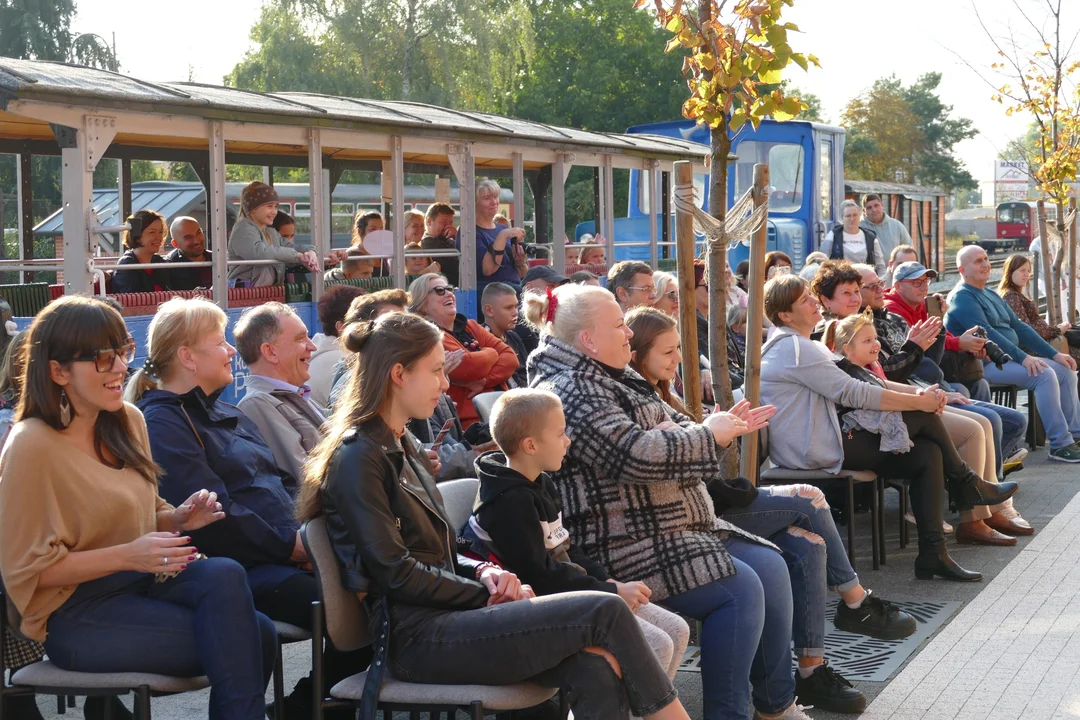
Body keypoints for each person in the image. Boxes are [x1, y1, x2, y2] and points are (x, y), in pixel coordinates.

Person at [296, 311, 695, 720]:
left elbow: (441, 551)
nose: (445, 383)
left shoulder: (402, 445)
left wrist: (484, 571)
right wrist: (484, 591)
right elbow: (394, 573)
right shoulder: (359, 457)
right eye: (435, 371)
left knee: (595, 666)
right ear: (399, 373)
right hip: (419, 638)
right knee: (604, 609)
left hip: (448, 620)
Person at [524, 283, 812, 720]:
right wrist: (705, 436)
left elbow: (674, 431)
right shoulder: (573, 387)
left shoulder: (611, 371)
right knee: (739, 589)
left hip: (673, 523)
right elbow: (637, 456)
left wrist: (693, 438)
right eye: (619, 324)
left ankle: (775, 706)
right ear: (587, 339)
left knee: (772, 566)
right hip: (622, 543)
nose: (628, 332)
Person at [625, 307, 917, 713]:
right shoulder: (635, 401)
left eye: (678, 349)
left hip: (713, 503)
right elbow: (684, 472)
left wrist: (717, 435)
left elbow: (702, 467)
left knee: (808, 543)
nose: (678, 359)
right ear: (636, 353)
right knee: (807, 504)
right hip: (694, 519)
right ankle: (852, 604)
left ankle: (808, 674)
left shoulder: (662, 394)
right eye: (668, 352)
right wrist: (714, 438)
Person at [0, 296, 275, 720]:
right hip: (76, 613)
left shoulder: (128, 420)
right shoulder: (31, 444)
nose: (119, 368)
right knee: (250, 638)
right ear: (57, 371)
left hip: (142, 584)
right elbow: (27, 571)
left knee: (234, 589)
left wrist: (177, 517)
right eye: (102, 358)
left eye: (123, 352)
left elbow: (146, 511)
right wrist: (129, 555)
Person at [127, 297, 366, 718]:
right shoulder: (162, 422)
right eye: (219, 342)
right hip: (243, 568)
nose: (232, 351)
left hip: (291, 553)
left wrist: (315, 540)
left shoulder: (224, 411)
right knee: (360, 600)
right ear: (187, 356)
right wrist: (291, 547)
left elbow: (288, 483)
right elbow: (214, 516)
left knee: (379, 586)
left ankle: (307, 705)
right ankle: (306, 707)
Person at [760, 274, 1007, 581]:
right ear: (785, 314)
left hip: (835, 435)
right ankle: (966, 482)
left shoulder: (799, 345)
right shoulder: (795, 349)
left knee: (927, 452)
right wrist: (919, 403)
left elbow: (868, 382)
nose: (814, 302)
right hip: (822, 445)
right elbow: (853, 393)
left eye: (811, 297)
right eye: (804, 300)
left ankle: (934, 553)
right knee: (922, 418)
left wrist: (918, 396)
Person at [461, 389, 691, 681]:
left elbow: (565, 547)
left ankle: (645, 712)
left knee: (677, 630)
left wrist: (608, 582)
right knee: (657, 643)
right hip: (543, 609)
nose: (567, 441)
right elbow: (540, 576)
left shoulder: (541, 481)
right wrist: (610, 594)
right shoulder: (509, 502)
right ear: (531, 445)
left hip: (573, 592)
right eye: (560, 434)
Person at [946, 245, 1080, 463]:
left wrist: (1054, 354)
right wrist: (1024, 358)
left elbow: (1020, 327)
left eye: (986, 259)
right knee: (1044, 375)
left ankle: (1076, 435)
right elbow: (989, 338)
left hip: (1008, 360)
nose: (985, 264)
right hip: (986, 366)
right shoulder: (963, 298)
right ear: (962, 270)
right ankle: (1060, 444)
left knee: (1064, 369)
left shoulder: (989, 293)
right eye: (977, 261)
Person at [409, 273, 518, 428]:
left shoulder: (471, 325)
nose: (448, 294)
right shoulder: (429, 336)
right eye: (440, 290)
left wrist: (484, 381)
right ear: (422, 304)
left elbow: (510, 358)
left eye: (450, 289)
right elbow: (467, 366)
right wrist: (492, 353)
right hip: (469, 422)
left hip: (502, 410)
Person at [233, 303, 325, 487]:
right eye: (300, 339)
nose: (312, 346)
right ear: (270, 352)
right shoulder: (256, 404)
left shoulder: (296, 394)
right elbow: (307, 481)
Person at [327, 289, 411, 410]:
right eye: (395, 326)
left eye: (409, 324)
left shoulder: (410, 373)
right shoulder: (354, 384)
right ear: (364, 331)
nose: (408, 334)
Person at [228, 182, 321, 287]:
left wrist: (310, 251)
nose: (274, 212)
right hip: (244, 292)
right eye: (269, 206)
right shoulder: (242, 228)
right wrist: (296, 255)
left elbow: (292, 246)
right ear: (253, 209)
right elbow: (260, 253)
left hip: (268, 292)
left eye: (276, 207)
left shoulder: (271, 232)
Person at [998, 253, 1080, 364]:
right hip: (1033, 348)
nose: (1027, 274)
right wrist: (1057, 330)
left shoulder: (1013, 294)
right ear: (1010, 271)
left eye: (1028, 270)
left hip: (1040, 342)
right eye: (1022, 270)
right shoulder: (1011, 297)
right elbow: (1025, 329)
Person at [309, 284, 368, 411]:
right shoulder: (343, 361)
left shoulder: (320, 351)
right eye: (364, 321)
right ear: (341, 327)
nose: (371, 327)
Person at [476, 179, 527, 296]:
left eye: (495, 197)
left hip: (515, 288)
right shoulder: (470, 232)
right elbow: (488, 269)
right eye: (487, 198)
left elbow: (523, 274)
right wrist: (503, 236)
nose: (494, 202)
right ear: (475, 203)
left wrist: (520, 262)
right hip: (491, 292)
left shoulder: (502, 229)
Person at [821, 200, 886, 277]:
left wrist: (882, 282)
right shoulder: (833, 235)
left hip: (865, 282)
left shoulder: (870, 237)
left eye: (855, 215)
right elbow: (822, 262)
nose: (852, 218)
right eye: (848, 216)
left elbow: (880, 265)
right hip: (841, 281)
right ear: (842, 218)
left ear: (860, 216)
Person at [481, 281, 529, 387]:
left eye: (516, 307)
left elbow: (528, 372)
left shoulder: (514, 337)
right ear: (489, 310)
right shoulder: (480, 340)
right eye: (508, 308)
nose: (515, 312)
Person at [112, 209, 170, 293]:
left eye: (160, 232)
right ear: (137, 236)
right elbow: (132, 301)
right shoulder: (126, 266)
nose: (159, 237)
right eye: (152, 232)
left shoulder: (160, 262)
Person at [165, 216, 213, 291]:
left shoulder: (217, 259)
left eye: (198, 233)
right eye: (188, 237)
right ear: (175, 244)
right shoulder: (169, 267)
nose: (196, 241)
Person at [861, 194, 913, 261]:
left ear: (882, 205)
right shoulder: (859, 228)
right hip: (870, 271)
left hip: (895, 271)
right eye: (869, 208)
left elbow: (909, 249)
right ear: (864, 211)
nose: (874, 210)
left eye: (876, 206)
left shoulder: (897, 226)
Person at [420, 202, 459, 286]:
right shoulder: (428, 243)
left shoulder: (449, 240)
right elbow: (454, 265)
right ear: (429, 222)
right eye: (443, 222)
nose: (448, 226)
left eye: (450, 223)